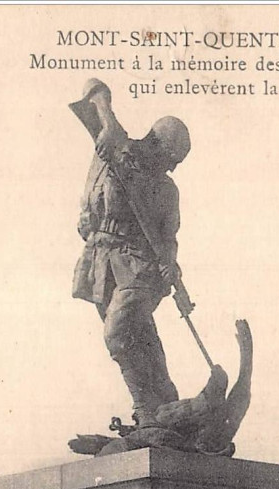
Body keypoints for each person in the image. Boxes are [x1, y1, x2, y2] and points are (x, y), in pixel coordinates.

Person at [72, 81, 191, 426]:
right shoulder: (116, 146)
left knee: (119, 331)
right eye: (172, 159)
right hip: (100, 260)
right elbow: (94, 87)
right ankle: (159, 404)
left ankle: (145, 407)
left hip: (139, 266)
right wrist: (107, 124)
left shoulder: (167, 190)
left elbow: (168, 240)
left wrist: (172, 267)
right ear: (156, 143)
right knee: (138, 340)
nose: (173, 168)